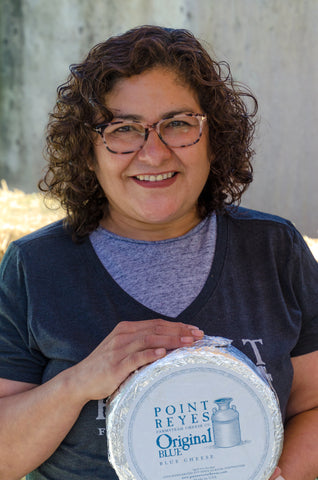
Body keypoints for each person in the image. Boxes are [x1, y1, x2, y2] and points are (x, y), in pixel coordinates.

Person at [0, 25, 317, 480]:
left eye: (179, 124)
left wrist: (282, 474)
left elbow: (313, 406)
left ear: (214, 137)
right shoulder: (35, 267)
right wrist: (80, 382)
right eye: (124, 129)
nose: (154, 152)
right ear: (89, 151)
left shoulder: (273, 249)